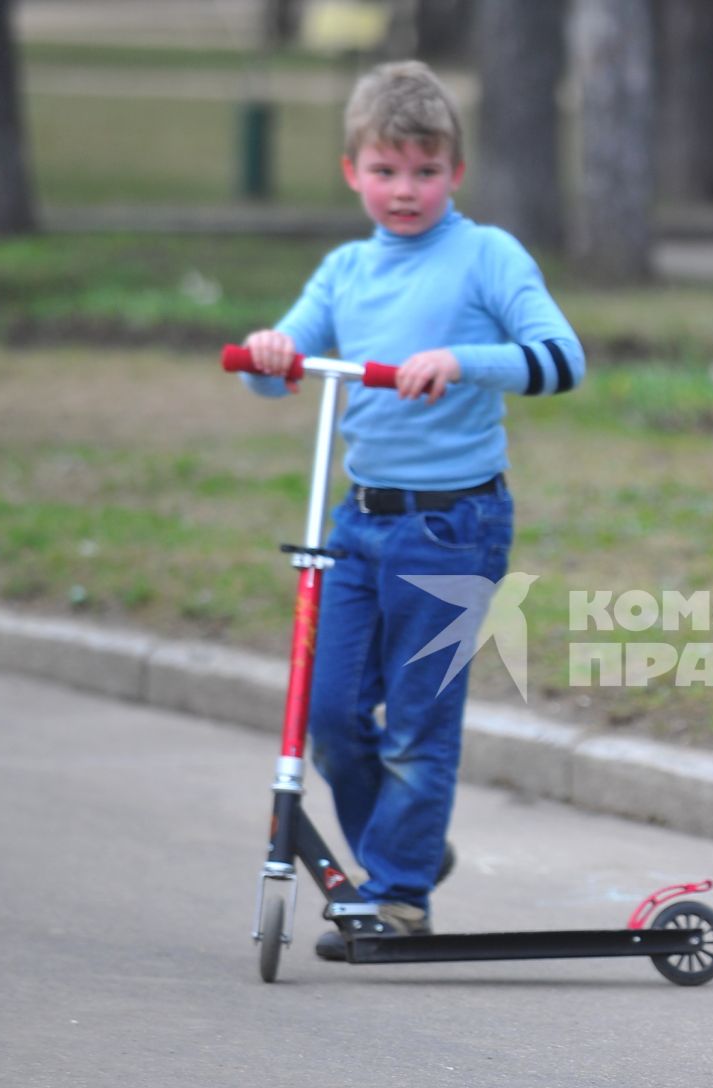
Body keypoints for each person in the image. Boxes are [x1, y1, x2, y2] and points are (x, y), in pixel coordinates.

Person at [237, 62, 585, 959]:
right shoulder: (345, 270)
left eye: (425, 171)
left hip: (454, 528)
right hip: (356, 523)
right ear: (352, 170)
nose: (405, 190)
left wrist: (465, 359)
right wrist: (277, 353)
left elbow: (560, 357)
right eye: (385, 170)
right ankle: (410, 851)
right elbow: (288, 373)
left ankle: (397, 893)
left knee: (420, 728)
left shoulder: (487, 255)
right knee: (335, 722)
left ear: (455, 173)